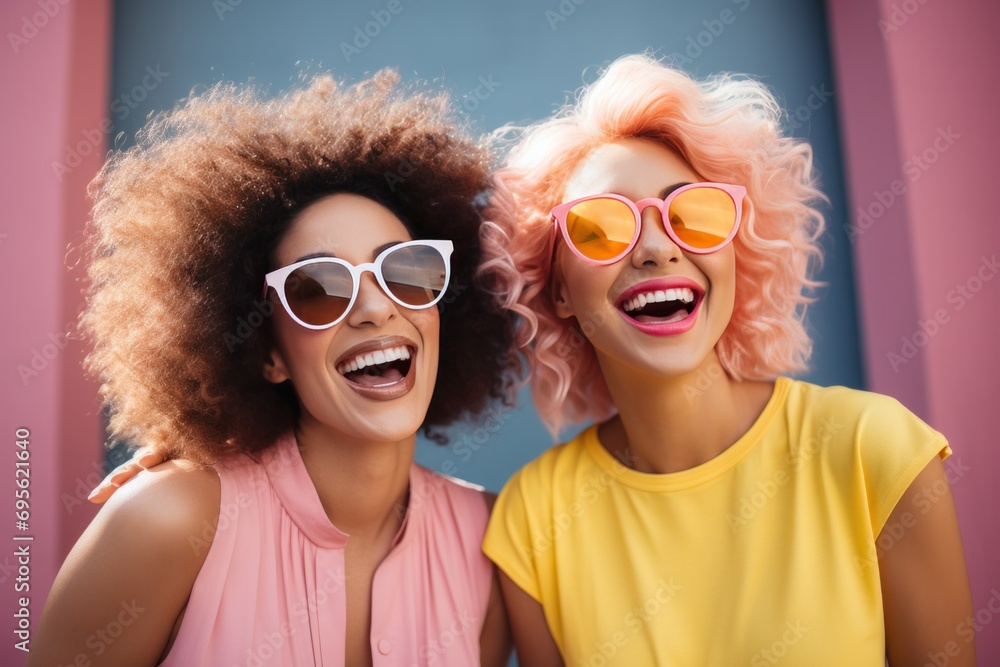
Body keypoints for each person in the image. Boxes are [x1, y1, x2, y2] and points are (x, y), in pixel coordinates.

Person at [479, 54, 975, 666]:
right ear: (557, 290)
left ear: (735, 252)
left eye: (694, 214)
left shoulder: (875, 452)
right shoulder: (535, 517)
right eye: (601, 228)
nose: (658, 248)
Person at [31, 71, 514, 666]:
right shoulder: (168, 520)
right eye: (317, 288)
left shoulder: (486, 540)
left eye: (407, 271)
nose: (376, 307)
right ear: (267, 353)